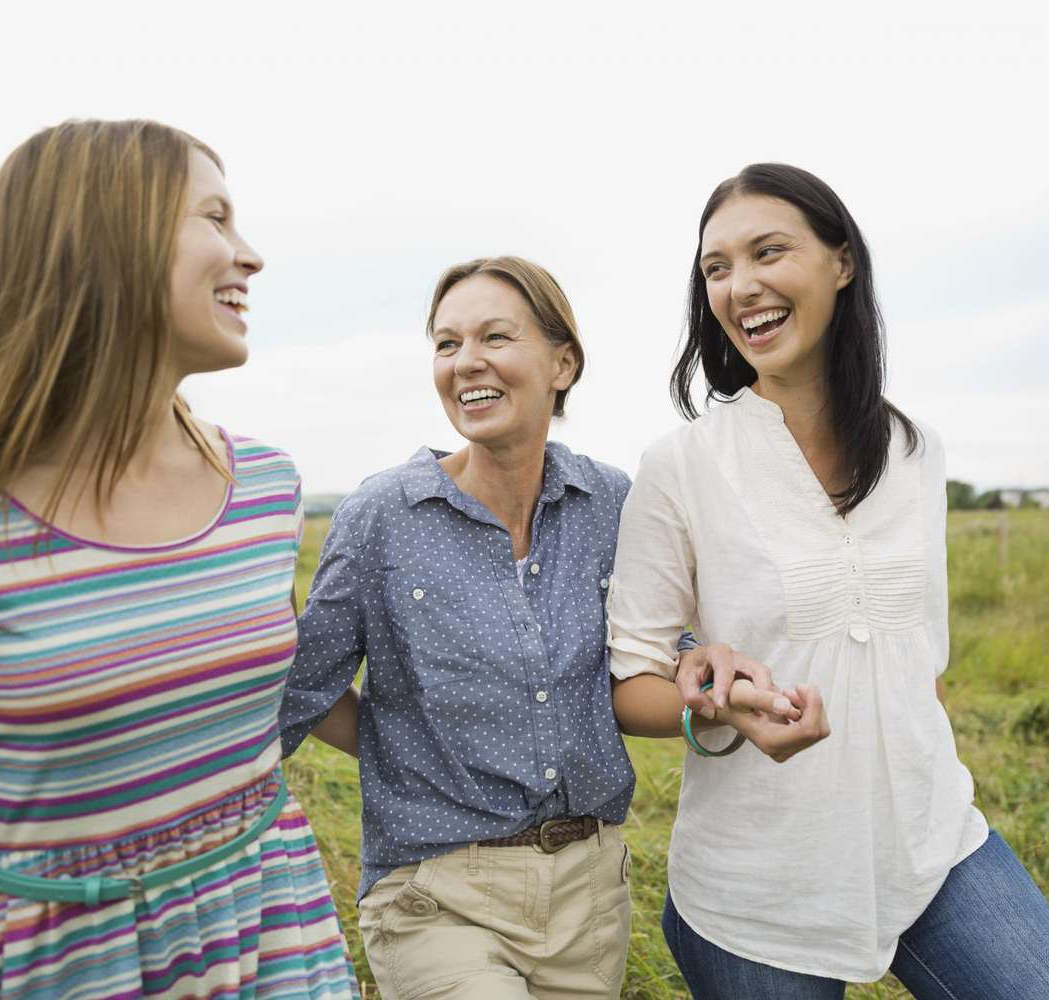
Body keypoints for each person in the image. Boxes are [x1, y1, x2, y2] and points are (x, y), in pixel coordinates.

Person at [0, 120, 359, 999]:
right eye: (215, 218)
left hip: (278, 944)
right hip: (73, 972)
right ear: (105, 235)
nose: (249, 255)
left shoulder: (266, 486)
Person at [606, 163, 1049, 999]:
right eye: (717, 268)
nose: (741, 287)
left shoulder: (917, 449)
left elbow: (923, 665)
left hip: (931, 848)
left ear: (842, 262)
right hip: (760, 888)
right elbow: (632, 683)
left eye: (769, 251)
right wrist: (722, 704)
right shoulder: (681, 465)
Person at [276, 256, 811, 1000]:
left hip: (588, 898)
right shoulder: (381, 520)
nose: (467, 363)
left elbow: (649, 658)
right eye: (446, 343)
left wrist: (713, 682)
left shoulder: (610, 504)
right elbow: (299, 689)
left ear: (563, 362)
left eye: (495, 336)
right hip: (436, 895)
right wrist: (403, 746)